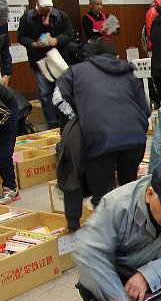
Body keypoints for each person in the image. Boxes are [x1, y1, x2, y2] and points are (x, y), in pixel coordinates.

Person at [73, 162, 161, 301]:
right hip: (119, 277)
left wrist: (150, 275)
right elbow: (89, 254)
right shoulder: (116, 205)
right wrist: (118, 300)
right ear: (149, 195)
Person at [53, 37, 150, 218]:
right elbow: (145, 107)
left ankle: (109, 236)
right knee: (129, 190)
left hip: (98, 138)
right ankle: (131, 231)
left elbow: (58, 99)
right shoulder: (128, 72)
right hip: (134, 137)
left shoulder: (75, 71)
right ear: (116, 55)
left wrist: (81, 120)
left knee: (103, 197)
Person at [17, 0, 74, 129]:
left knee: (63, 90)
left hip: (59, 60)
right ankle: (52, 123)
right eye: (43, 7)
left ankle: (66, 119)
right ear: (36, 3)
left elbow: (69, 34)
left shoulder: (60, 16)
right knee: (45, 93)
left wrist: (56, 40)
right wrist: (33, 44)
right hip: (39, 61)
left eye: (48, 6)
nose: (46, 9)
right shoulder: (27, 17)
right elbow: (21, 36)